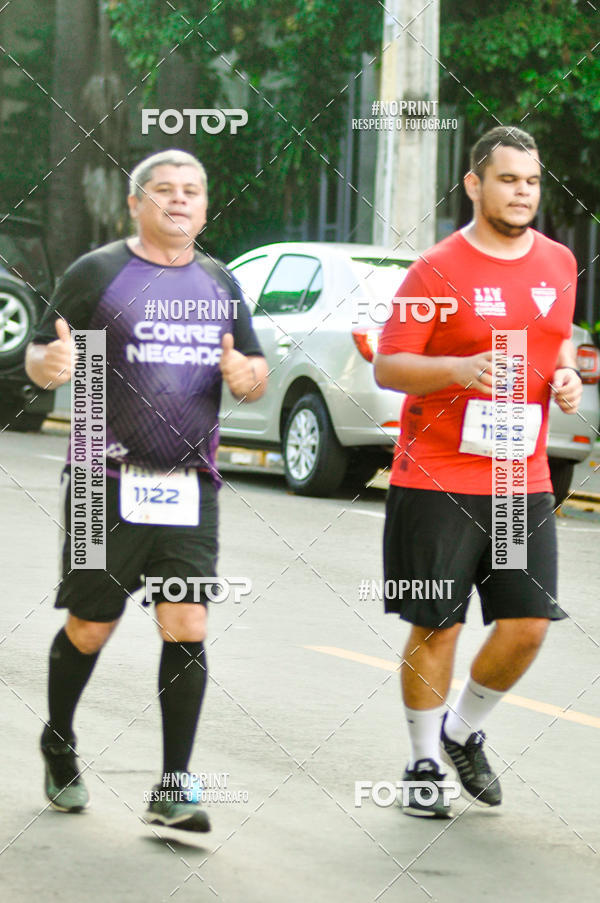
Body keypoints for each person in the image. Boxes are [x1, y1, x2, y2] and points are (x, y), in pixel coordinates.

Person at [25, 149, 268, 831]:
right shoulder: (98, 274)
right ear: (136, 204)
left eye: (192, 190)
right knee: (91, 626)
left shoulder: (220, 282)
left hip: (191, 484)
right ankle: (59, 740)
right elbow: (41, 357)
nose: (180, 200)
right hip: (104, 479)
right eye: (164, 190)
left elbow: (252, 370)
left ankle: (173, 783)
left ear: (206, 203)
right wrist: (54, 362)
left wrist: (245, 374)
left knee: (186, 620)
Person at [374, 125, 582, 818]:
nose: (522, 192)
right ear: (475, 184)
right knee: (438, 625)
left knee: (528, 622)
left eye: (531, 181)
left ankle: (462, 731)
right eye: (508, 179)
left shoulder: (558, 262)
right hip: (435, 475)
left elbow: (556, 348)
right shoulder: (435, 268)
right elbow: (389, 363)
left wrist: (565, 378)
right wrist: (458, 369)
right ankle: (423, 760)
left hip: (517, 482)